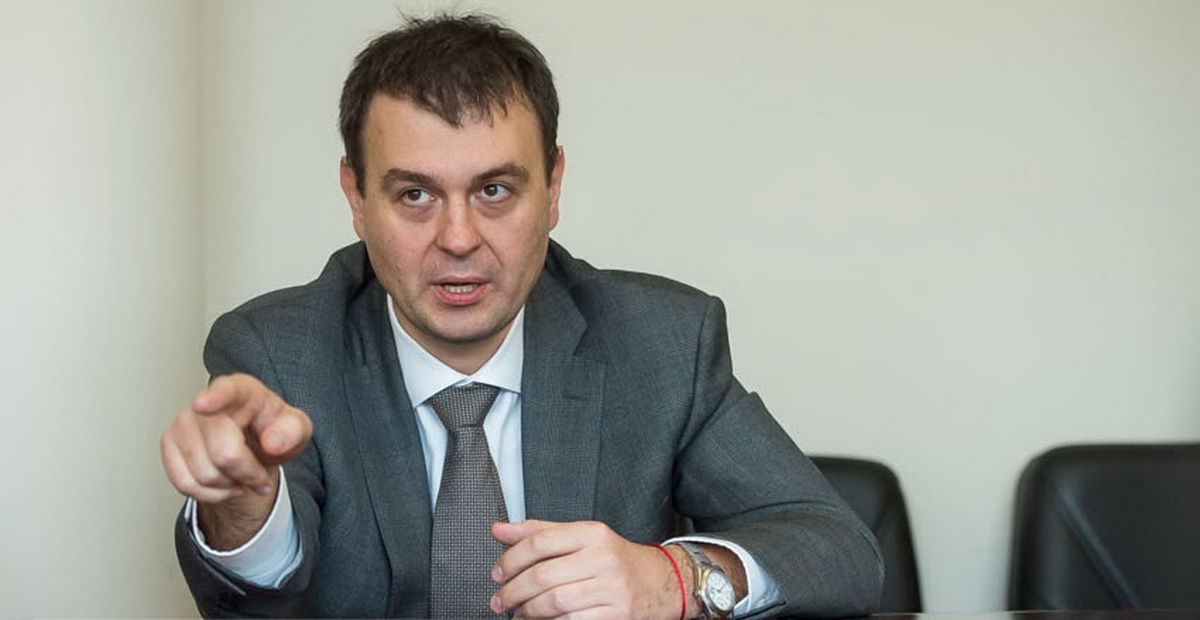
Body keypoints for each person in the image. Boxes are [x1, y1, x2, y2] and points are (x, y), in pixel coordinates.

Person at [161, 13, 883, 619]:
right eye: (415, 195)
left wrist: (674, 580)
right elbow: (254, 605)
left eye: (495, 190)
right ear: (356, 197)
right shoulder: (281, 352)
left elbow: (838, 549)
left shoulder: (660, 342)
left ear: (553, 186)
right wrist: (247, 511)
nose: (458, 238)